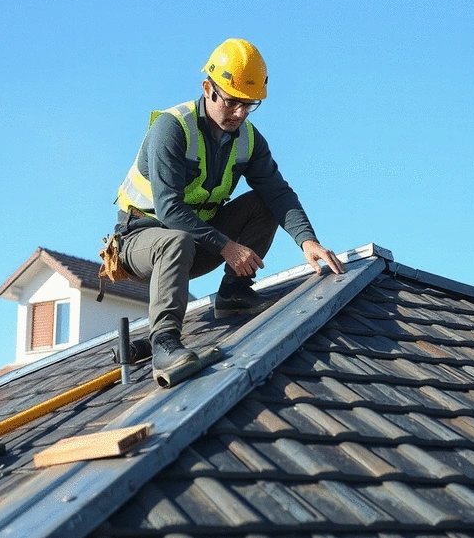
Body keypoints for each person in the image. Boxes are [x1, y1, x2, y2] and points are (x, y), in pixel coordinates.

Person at [113, 38, 344, 378]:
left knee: (264, 202)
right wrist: (227, 246)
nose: (240, 113)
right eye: (233, 102)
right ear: (208, 88)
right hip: (140, 242)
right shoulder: (172, 129)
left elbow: (278, 193)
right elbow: (168, 210)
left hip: (197, 245)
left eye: (249, 105)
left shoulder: (250, 140)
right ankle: (164, 343)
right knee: (174, 239)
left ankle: (233, 295)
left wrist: (308, 241)